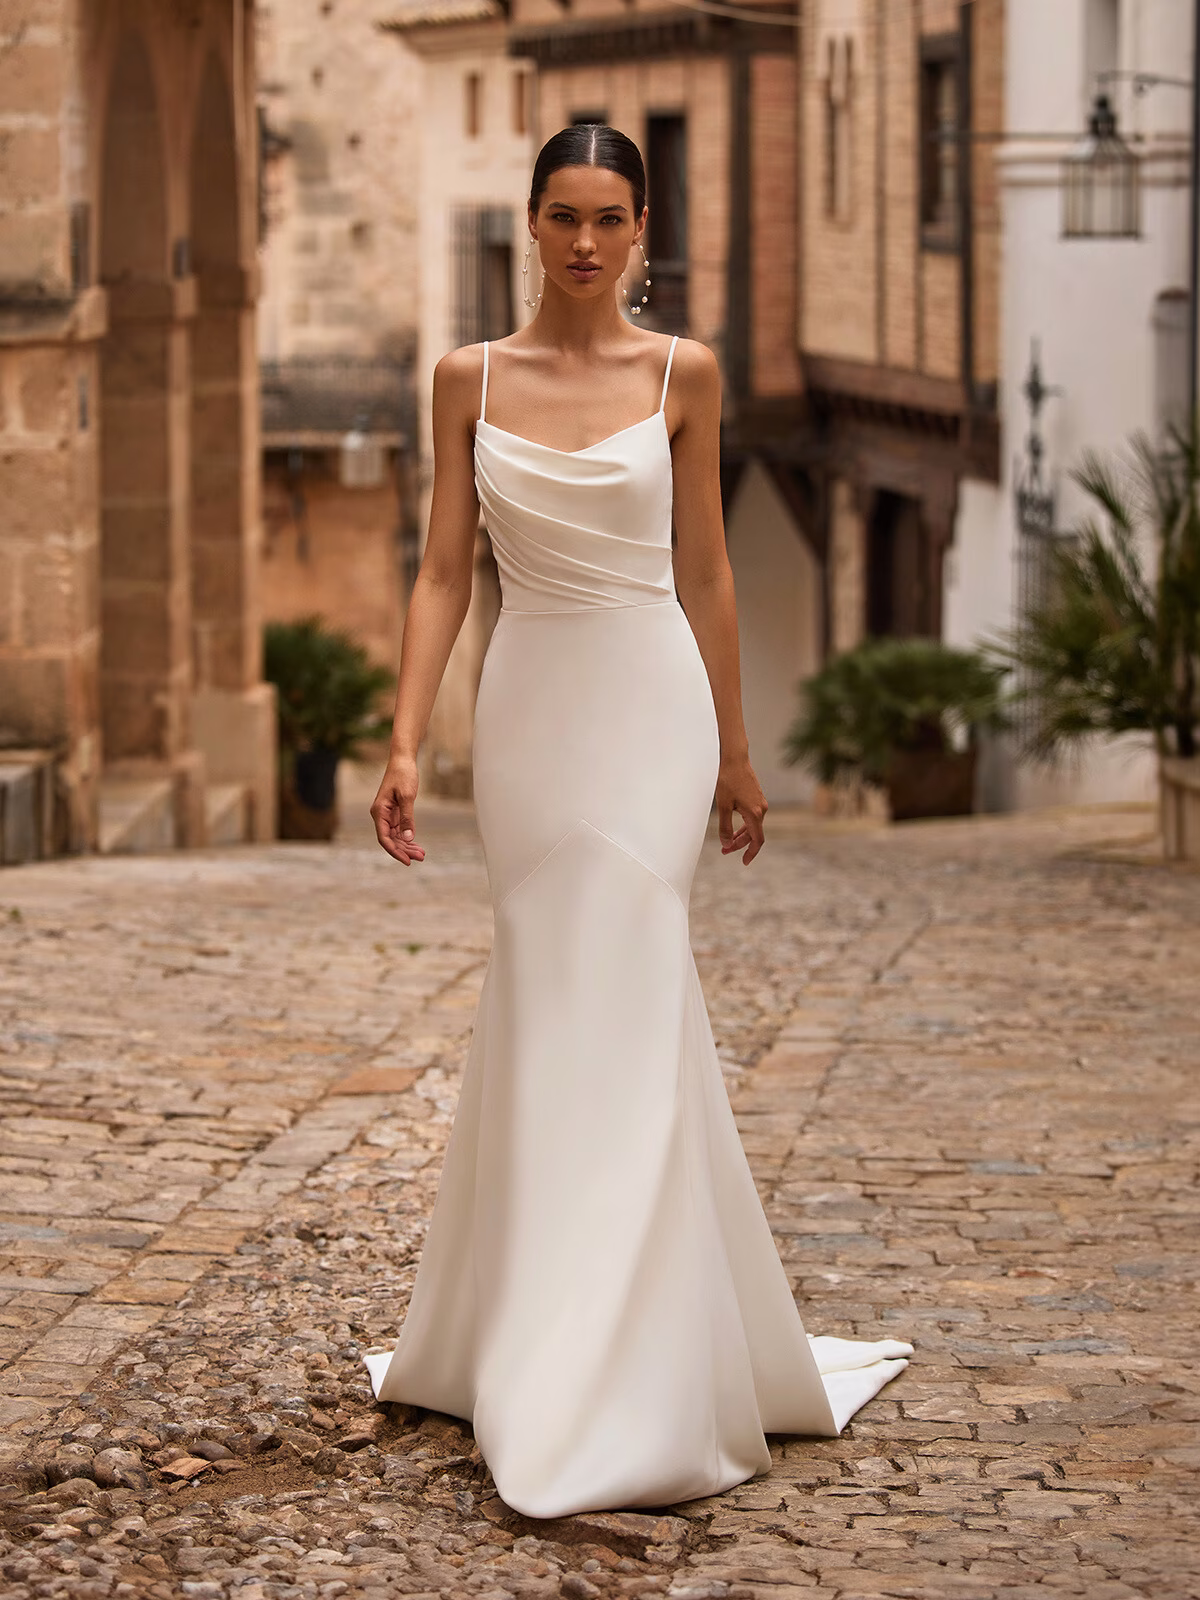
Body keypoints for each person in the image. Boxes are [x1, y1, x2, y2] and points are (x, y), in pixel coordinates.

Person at [365, 124, 911, 1519]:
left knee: (635, 983)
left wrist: (735, 749)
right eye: (564, 216)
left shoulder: (686, 375)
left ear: (641, 230)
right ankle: (536, 1327)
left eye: (610, 218)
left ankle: (631, 1361)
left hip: (649, 710)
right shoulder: (467, 378)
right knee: (549, 1001)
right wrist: (407, 738)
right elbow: (442, 575)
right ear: (531, 223)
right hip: (532, 716)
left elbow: (708, 572)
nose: (586, 243)